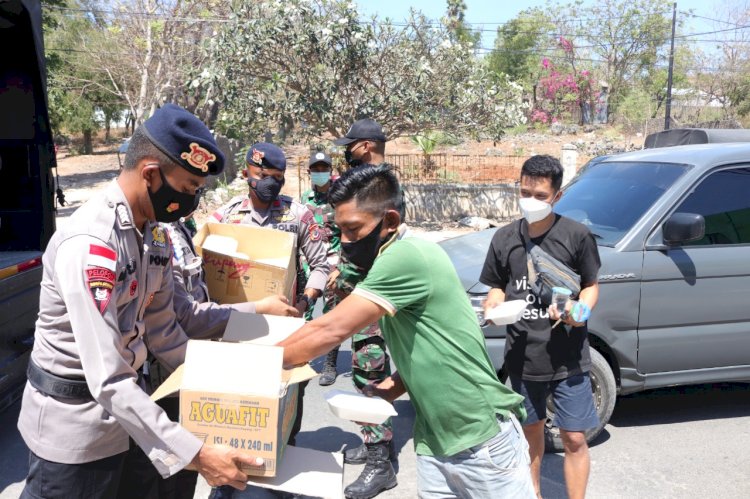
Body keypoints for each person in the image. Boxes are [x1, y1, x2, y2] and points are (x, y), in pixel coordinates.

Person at [16, 104, 264, 499]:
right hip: (75, 434)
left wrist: (236, 381)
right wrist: (197, 454)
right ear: (150, 174)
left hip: (129, 422)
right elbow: (108, 377)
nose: (190, 202)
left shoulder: (155, 235)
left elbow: (167, 332)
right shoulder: (93, 245)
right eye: (186, 189)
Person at [279, 165, 536, 499]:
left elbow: (329, 329)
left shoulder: (405, 256)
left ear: (389, 221)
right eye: (339, 230)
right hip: (435, 439)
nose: (345, 241)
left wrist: (251, 361)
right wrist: (393, 385)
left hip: (482, 437)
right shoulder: (395, 257)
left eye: (353, 230)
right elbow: (434, 342)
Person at [118, 216, 299, 499]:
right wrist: (256, 308)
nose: (195, 191)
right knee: (159, 477)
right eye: (191, 183)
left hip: (185, 376)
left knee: (182, 478)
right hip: (167, 382)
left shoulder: (180, 230)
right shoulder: (160, 235)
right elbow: (186, 316)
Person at [210, 142, 329, 499]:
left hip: (288, 331)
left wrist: (308, 299)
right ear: (247, 171)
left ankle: (281, 472)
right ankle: (230, 478)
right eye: (264, 176)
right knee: (236, 408)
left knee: (287, 405)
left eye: (277, 178)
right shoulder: (225, 219)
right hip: (237, 330)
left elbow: (323, 264)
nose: (270, 184)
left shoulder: (299, 215)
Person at [479, 154, 601, 499]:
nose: (530, 201)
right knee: (531, 430)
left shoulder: (577, 236)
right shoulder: (503, 238)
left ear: (557, 196)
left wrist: (581, 311)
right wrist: (493, 303)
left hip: (569, 357)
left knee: (574, 437)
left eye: (540, 196)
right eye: (524, 192)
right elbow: (496, 284)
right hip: (523, 355)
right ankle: (533, 494)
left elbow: (591, 284)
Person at [329, 118, 398, 498]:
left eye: (352, 146)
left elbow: (376, 253)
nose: (347, 151)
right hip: (362, 295)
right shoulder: (371, 183)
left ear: (367, 146)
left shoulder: (382, 188)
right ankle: (375, 443)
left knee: (370, 374)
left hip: (372, 299)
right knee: (362, 374)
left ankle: (380, 463)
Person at [301, 151, 342, 386]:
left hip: (333, 263)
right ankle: (303, 359)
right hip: (309, 263)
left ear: (330, 170)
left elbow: (347, 232)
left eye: (323, 169)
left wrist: (341, 265)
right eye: (315, 169)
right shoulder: (305, 198)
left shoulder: (340, 197)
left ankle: (330, 363)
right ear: (309, 173)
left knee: (332, 314)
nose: (319, 173)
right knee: (305, 312)